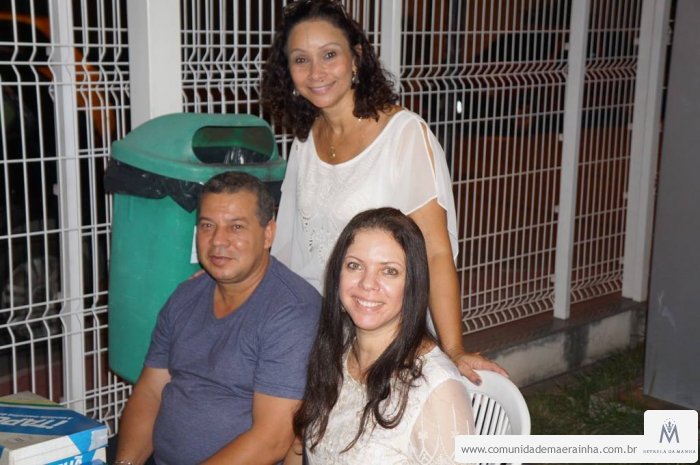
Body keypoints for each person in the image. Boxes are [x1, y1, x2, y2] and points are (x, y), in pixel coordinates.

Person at [261, 0, 506, 384]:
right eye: (301, 60)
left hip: (382, 330)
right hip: (318, 330)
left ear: (356, 58)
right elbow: (289, 250)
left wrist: (454, 348)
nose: (316, 72)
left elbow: (436, 251)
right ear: (288, 72)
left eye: (329, 54)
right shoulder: (305, 142)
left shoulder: (403, 135)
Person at [114, 172, 321, 465]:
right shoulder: (186, 297)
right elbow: (150, 392)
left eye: (236, 227)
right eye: (207, 226)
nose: (218, 241)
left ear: (268, 234)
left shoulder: (292, 312)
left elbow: (271, 440)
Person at [285, 207, 475, 464]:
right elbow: (300, 447)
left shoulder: (437, 391)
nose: (367, 283)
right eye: (354, 266)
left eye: (389, 271)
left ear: (413, 285)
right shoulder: (337, 352)